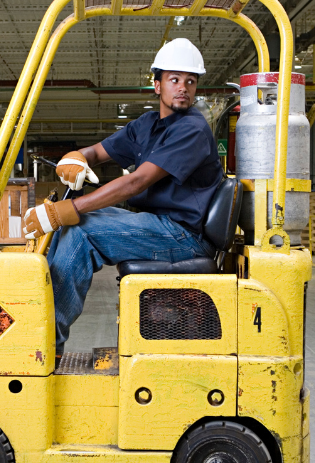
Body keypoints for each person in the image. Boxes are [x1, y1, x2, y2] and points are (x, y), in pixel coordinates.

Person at [22, 38, 223, 354]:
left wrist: (67, 209)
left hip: (184, 236)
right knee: (68, 229)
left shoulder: (192, 129)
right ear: (157, 85)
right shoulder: (146, 124)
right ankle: (34, 321)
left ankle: (44, 345)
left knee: (81, 231)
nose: (183, 87)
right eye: (174, 80)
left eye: (190, 81)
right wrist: (77, 156)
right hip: (157, 225)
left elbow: (136, 183)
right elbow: (99, 151)